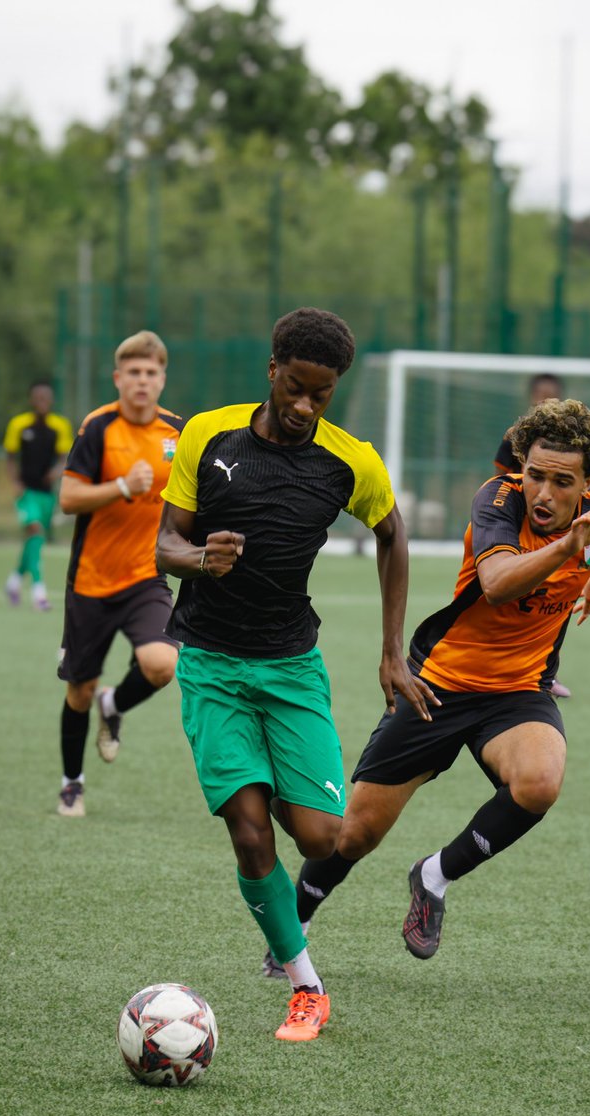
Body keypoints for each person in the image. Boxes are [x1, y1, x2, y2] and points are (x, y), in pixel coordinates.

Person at [155, 307, 433, 1043]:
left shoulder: (351, 461)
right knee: (250, 835)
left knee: (320, 839)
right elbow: (165, 546)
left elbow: (392, 535)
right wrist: (198, 558)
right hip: (211, 663)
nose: (307, 407)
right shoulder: (208, 437)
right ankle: (306, 987)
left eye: (323, 394)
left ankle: (266, 778)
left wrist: (391, 650)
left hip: (290, 667)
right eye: (297, 389)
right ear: (272, 369)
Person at [283, 398, 590, 965]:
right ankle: (292, 925)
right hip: (439, 685)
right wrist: (571, 548)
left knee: (540, 781)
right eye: (534, 475)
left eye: (561, 482)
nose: (543, 493)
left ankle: (434, 876)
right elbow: (495, 584)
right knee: (352, 836)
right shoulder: (496, 502)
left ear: (589, 483)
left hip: (518, 691)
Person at [56, 331, 183, 819]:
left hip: (145, 576)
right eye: (133, 373)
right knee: (78, 691)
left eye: (151, 373)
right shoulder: (98, 427)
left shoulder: (177, 432)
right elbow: (68, 500)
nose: (142, 381)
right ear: (118, 378)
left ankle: (116, 706)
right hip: (90, 581)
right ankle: (72, 783)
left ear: (162, 379)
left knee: (161, 665)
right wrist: (121, 487)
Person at [494, 372, 572, 699]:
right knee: (505, 595)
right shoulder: (516, 436)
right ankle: (497, 665)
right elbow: (499, 476)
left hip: (553, 530)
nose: (545, 401)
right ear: (531, 398)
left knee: (554, 600)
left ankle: (543, 673)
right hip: (518, 525)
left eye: (551, 396)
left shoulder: (573, 441)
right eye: (540, 395)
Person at [2, 380, 73, 611]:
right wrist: (14, 482)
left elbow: (64, 457)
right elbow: (10, 457)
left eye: (46, 398)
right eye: (38, 398)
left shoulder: (60, 426)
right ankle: (39, 592)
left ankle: (13, 582)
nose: (42, 402)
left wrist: (57, 471)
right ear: (32, 400)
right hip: (26, 492)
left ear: (51, 400)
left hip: (46, 494)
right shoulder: (19, 424)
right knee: (35, 530)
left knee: (34, 539)